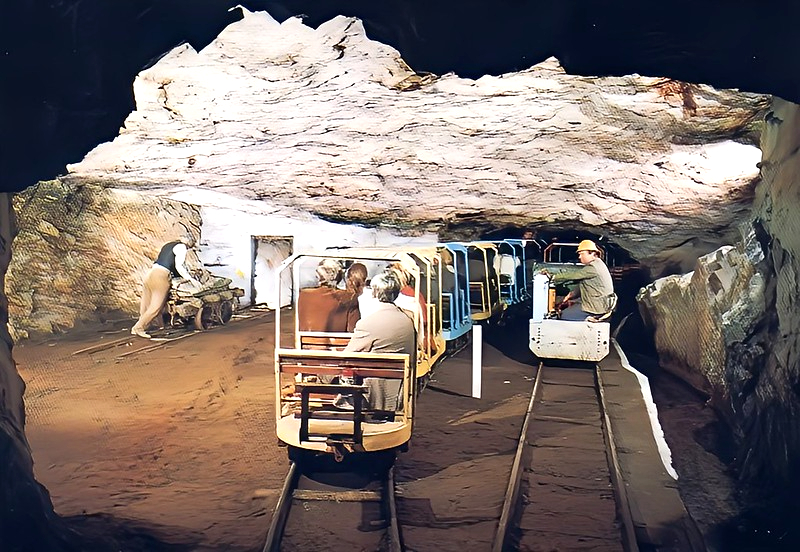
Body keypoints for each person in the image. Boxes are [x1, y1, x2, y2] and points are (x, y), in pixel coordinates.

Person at [336, 272, 416, 412]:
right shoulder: (408, 319)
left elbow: (347, 356)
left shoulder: (368, 323)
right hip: (399, 388)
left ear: (374, 293)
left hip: (374, 391)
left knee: (335, 371)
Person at [131, 235, 201, 338]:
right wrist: (191, 279)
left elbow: (166, 261)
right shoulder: (182, 247)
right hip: (161, 276)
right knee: (156, 307)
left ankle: (157, 325)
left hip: (151, 273)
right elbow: (179, 266)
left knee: (146, 303)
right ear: (189, 243)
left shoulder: (168, 245)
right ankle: (138, 328)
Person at [542, 240, 615, 322]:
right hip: (600, 304)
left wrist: (552, 276)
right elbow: (583, 286)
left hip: (595, 308)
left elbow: (573, 275)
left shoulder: (593, 268)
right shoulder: (598, 264)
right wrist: (569, 296)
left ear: (591, 253)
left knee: (563, 315)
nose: (579, 257)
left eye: (582, 254)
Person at [297, 258, 359, 332]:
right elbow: (353, 330)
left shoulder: (304, 295)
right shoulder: (349, 297)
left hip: (306, 343)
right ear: (339, 276)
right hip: (338, 343)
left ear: (318, 276)